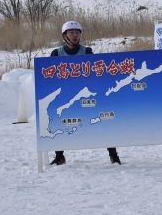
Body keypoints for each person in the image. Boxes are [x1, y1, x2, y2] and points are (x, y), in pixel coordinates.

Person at [49, 20, 121, 165]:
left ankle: (113, 155)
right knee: (56, 119)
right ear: (64, 35)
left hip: (85, 95)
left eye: (77, 32)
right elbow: (51, 78)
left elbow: (93, 73)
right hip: (66, 97)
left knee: (103, 119)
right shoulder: (56, 53)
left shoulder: (86, 51)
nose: (75, 35)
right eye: (71, 32)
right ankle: (59, 156)